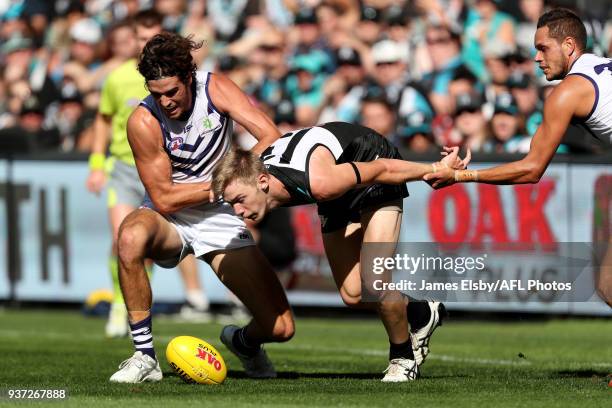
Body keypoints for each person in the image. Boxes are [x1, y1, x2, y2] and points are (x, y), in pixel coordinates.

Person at [212, 121, 470, 382]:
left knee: (375, 282)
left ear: (263, 181)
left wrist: (436, 169)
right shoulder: (261, 179)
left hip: (372, 159)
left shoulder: (320, 182)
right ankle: (421, 313)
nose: (237, 212)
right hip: (337, 183)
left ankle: (402, 359)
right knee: (352, 293)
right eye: (231, 204)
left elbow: (383, 168)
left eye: (239, 201)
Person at [108, 31, 293, 383]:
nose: (165, 102)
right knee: (130, 236)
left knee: (281, 327)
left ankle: (243, 342)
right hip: (170, 217)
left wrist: (236, 177)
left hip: (221, 216)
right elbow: (163, 198)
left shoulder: (217, 88)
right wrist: (224, 182)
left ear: (189, 78)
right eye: (156, 93)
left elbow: (270, 136)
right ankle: (144, 356)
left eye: (172, 92)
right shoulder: (142, 121)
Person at [424, 8, 612, 307]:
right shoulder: (603, 68)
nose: (537, 58)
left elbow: (532, 169)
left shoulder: (567, 92)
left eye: (542, 48)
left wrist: (461, 175)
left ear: (568, 46)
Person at [86, 10, 211, 339]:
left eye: (150, 38)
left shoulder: (180, 79)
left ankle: (138, 308)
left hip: (161, 170)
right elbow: (102, 118)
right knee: (122, 239)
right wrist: (97, 163)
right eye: (140, 39)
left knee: (146, 244)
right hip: (125, 169)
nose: (144, 45)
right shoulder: (117, 78)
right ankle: (119, 304)